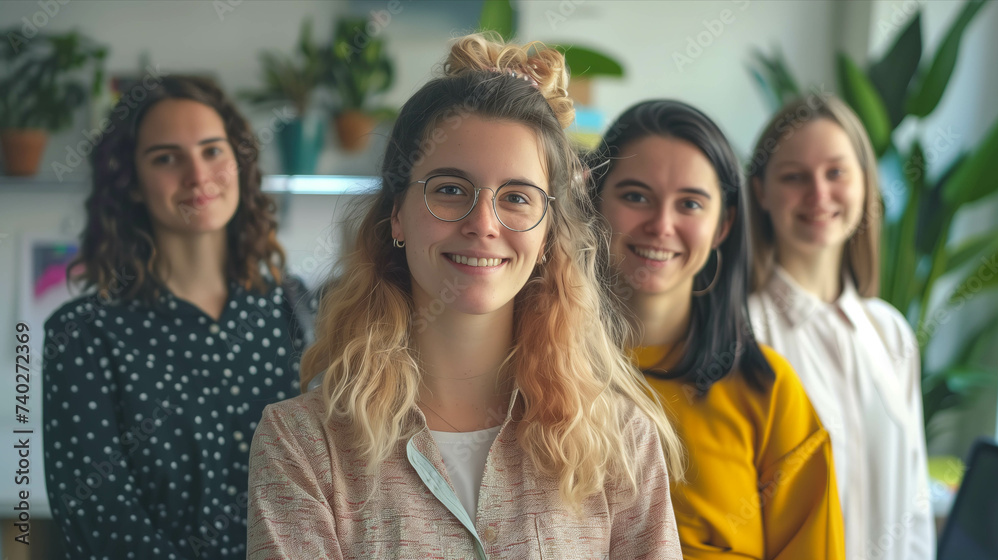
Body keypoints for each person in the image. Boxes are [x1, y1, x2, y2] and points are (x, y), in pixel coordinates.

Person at [246, 33, 684, 559]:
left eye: (517, 198)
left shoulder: (619, 441)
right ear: (397, 215)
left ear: (548, 235)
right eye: (450, 189)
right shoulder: (302, 445)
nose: (483, 224)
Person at [42, 75, 312, 558]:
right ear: (132, 184)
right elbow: (101, 522)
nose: (197, 174)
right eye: (166, 158)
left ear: (238, 163)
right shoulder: (82, 334)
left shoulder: (295, 310)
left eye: (212, 151)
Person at [590, 99, 845, 559]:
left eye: (689, 203)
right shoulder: (533, 371)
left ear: (724, 224)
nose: (661, 225)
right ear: (594, 202)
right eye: (635, 196)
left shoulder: (770, 393)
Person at [746, 94, 935, 560]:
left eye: (836, 172)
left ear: (866, 185)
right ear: (760, 192)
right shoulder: (742, 330)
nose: (819, 194)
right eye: (794, 176)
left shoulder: (891, 333)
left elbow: (915, 506)